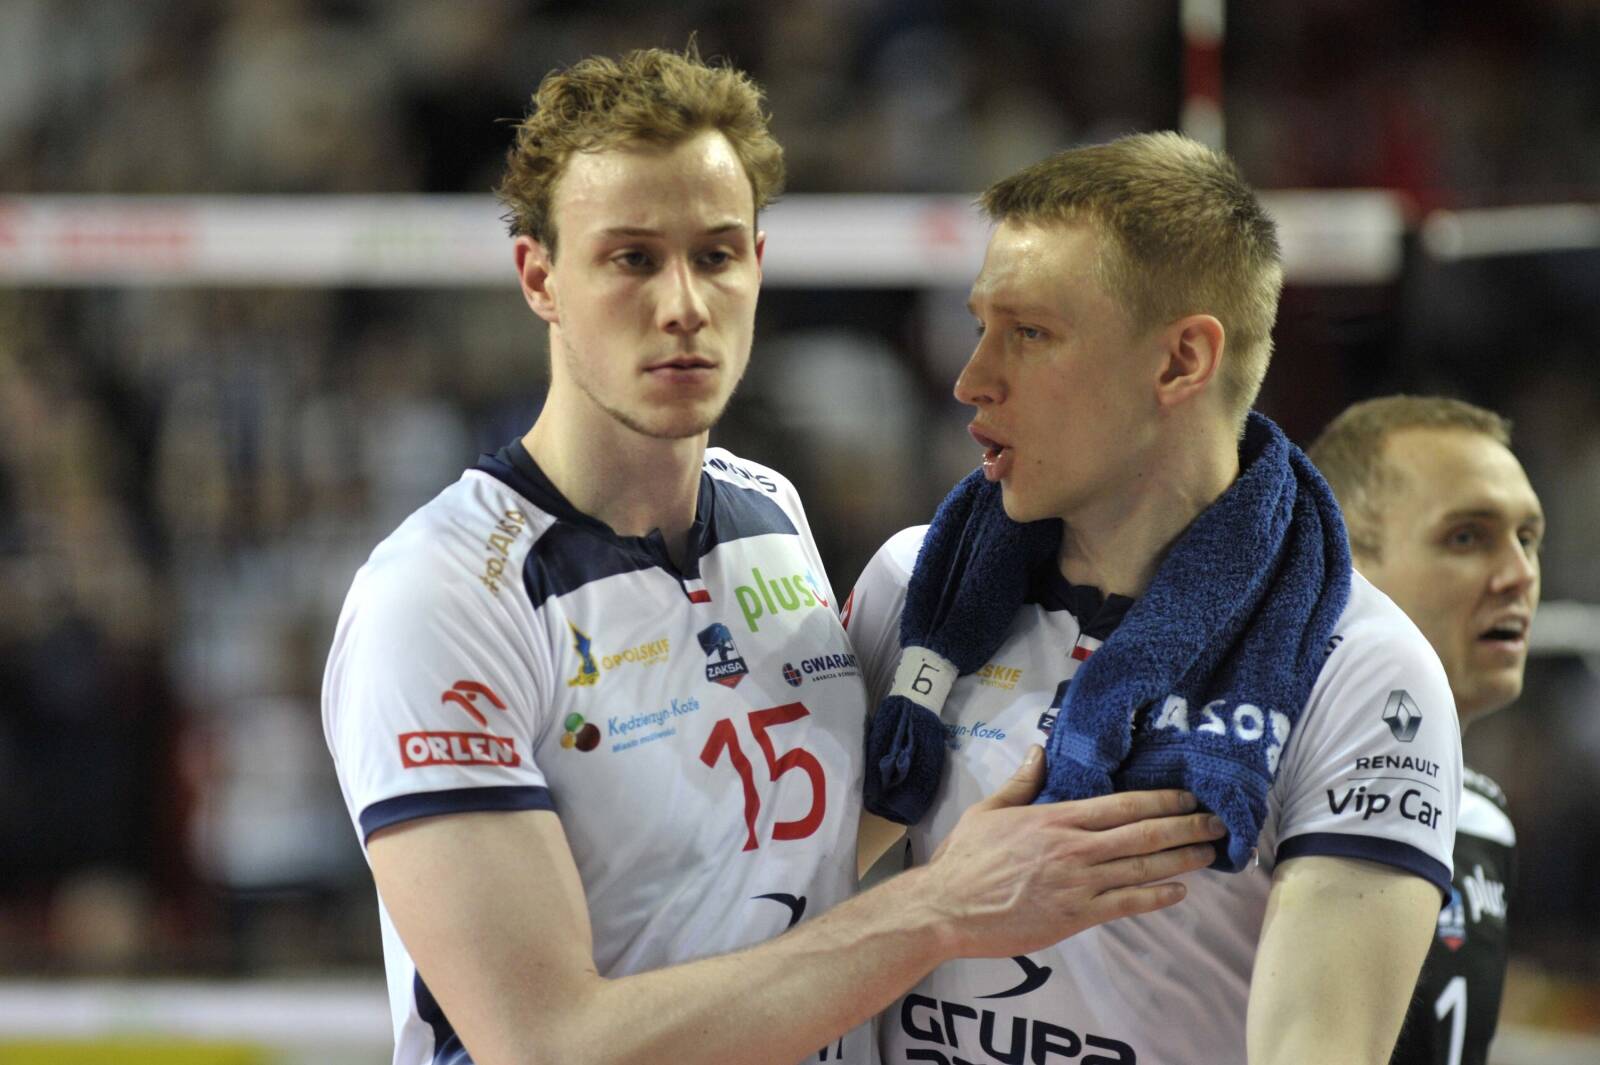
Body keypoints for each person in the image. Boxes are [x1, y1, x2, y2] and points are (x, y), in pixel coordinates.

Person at [322, 49, 1226, 1065]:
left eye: (714, 256)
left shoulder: (767, 510)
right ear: (540, 277)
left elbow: (780, 857)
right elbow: (546, 1047)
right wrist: (940, 908)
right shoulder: (441, 597)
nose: (683, 304)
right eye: (631, 260)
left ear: (756, 261)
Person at [845, 132, 1462, 1065]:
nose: (973, 381)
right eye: (979, 327)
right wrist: (939, 907)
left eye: (1030, 333)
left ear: (1181, 362)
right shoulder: (915, 584)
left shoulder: (1365, 670)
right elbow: (776, 920)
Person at [1308, 396, 1542, 1065]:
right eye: (1467, 537)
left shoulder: (1485, 819)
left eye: (1528, 539)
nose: (1520, 575)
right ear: (1343, 561)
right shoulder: (1262, 800)